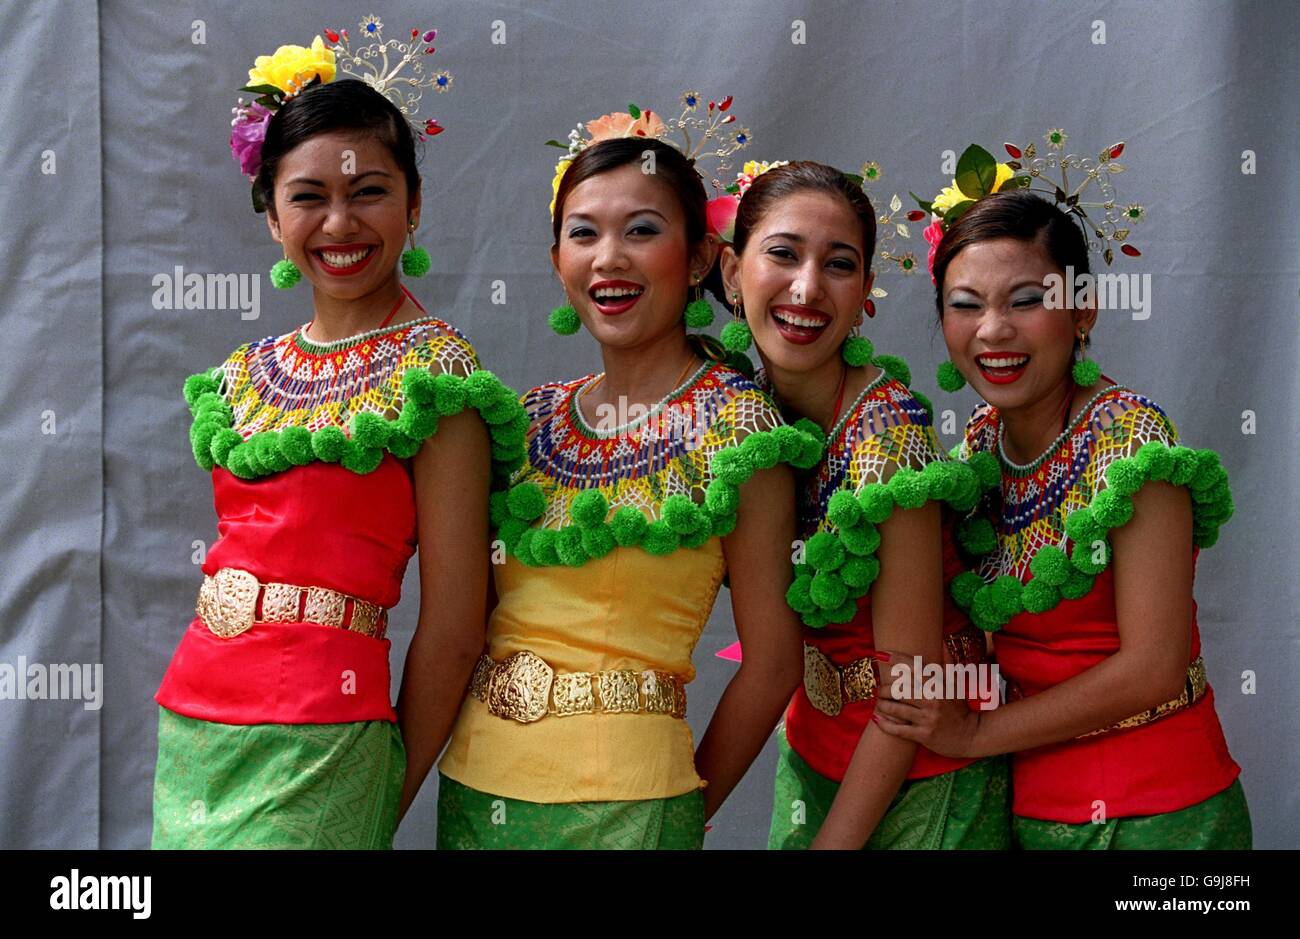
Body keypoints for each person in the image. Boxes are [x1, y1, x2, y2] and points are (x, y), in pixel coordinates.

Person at [152, 29, 526, 848]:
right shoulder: (249, 370)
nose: (338, 221)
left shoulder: (438, 376)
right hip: (193, 719)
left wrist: (383, 786)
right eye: (307, 196)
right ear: (272, 216)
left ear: (414, 204)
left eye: (368, 192)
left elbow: (459, 622)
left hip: (325, 733)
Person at [435, 100, 815, 849]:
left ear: (702, 257)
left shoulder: (741, 429)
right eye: (583, 233)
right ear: (557, 262)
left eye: (642, 230)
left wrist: (675, 809)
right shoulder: (524, 421)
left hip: (631, 805)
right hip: (476, 789)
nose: (609, 257)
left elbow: (773, 665)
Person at [875, 137, 1249, 849]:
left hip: (1162, 816)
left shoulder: (1133, 444)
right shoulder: (981, 447)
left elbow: (1152, 666)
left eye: (1026, 301)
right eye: (965, 305)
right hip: (1029, 810)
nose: (993, 330)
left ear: (1084, 312)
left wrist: (976, 731)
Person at [714, 160, 1010, 849]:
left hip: (921, 775)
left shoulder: (891, 439)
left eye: (839, 265)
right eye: (782, 254)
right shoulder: (740, 411)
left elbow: (908, 696)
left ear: (866, 289)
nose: (807, 287)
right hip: (814, 755)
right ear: (731, 272)